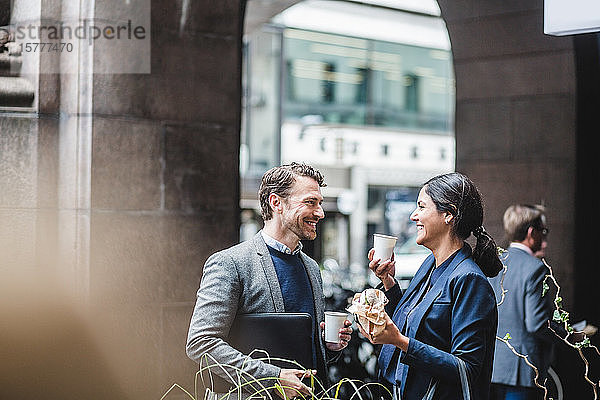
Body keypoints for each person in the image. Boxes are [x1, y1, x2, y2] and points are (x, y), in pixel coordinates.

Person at [186, 162, 352, 399]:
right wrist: (272, 378)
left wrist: (327, 348)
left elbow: (300, 351)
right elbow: (201, 343)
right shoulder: (230, 263)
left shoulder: (312, 268)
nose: (320, 213)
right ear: (276, 203)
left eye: (320, 203)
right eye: (310, 202)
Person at [360, 172, 502, 400]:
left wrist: (400, 341)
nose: (414, 215)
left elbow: (466, 369)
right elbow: (410, 321)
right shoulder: (429, 264)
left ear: (449, 214)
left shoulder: (469, 279)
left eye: (422, 207)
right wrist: (388, 281)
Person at [488, 204, 554, 400]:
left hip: (491, 367)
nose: (545, 238)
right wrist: (566, 335)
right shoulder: (536, 269)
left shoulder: (494, 263)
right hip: (521, 371)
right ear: (531, 233)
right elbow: (536, 324)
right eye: (544, 231)